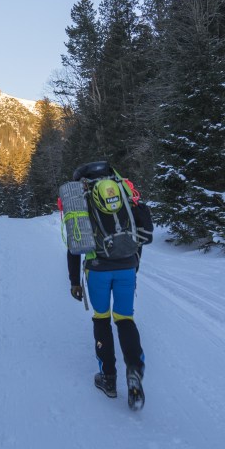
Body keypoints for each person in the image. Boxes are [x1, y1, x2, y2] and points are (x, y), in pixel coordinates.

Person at [65, 161, 154, 408]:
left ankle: (108, 378)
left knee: (101, 318)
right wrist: (133, 265)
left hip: (98, 270)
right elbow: (139, 234)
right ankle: (134, 370)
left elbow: (74, 246)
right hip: (127, 266)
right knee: (125, 319)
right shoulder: (123, 192)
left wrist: (74, 281)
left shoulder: (82, 199)